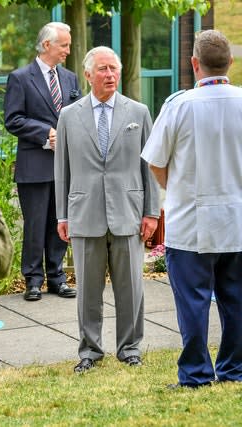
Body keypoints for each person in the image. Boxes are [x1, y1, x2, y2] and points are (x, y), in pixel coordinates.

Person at [141, 29, 242, 388]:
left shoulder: (179, 105)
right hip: (238, 221)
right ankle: (233, 369)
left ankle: (197, 373)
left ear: (194, 63)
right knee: (237, 300)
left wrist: (176, 186)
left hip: (191, 223)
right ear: (229, 62)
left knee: (193, 303)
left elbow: (154, 161)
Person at [54, 46, 160, 373]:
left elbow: (150, 166)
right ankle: (89, 351)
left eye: (113, 68)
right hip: (84, 213)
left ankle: (130, 348)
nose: (110, 75)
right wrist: (62, 214)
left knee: (131, 288)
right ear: (88, 75)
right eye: (102, 69)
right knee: (87, 291)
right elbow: (63, 169)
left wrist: (151, 211)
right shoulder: (69, 116)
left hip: (128, 211)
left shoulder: (138, 112)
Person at [4, 22, 80, 302]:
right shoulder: (21, 78)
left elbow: (78, 112)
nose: (68, 51)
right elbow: (13, 119)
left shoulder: (71, 79)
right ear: (47, 45)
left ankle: (57, 278)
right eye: (64, 45)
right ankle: (33, 280)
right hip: (34, 164)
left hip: (64, 166)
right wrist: (44, 133)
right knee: (35, 224)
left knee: (60, 222)